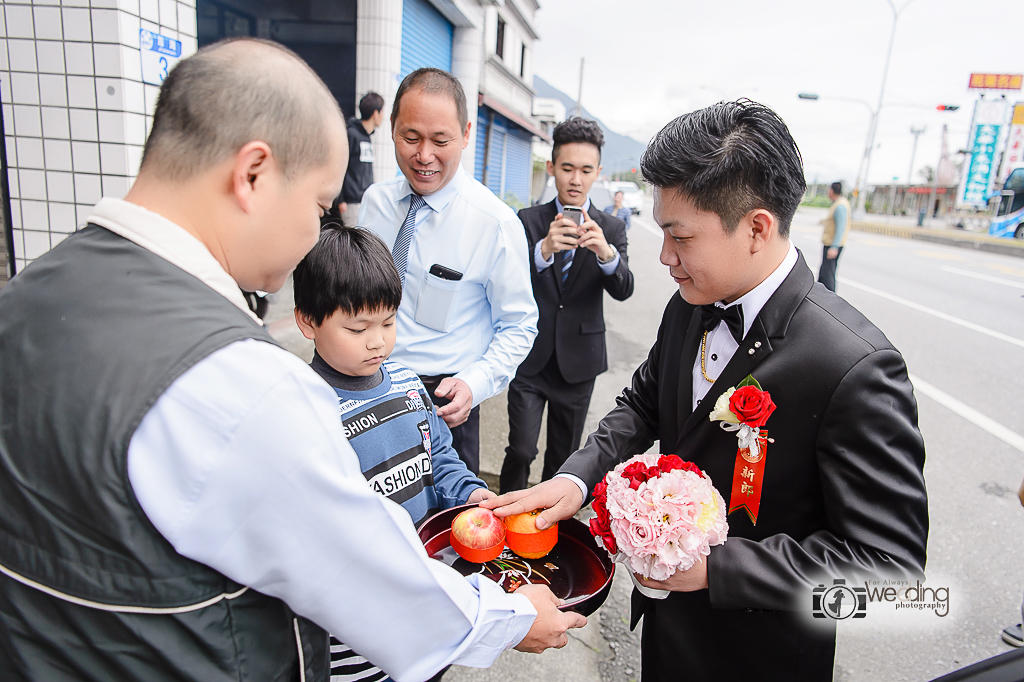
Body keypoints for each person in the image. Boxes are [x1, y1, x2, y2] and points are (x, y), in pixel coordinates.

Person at [0, 39, 584, 682]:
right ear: (253, 174)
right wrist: (507, 616)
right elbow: (360, 574)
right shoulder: (238, 378)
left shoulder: (22, 300)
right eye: (314, 206)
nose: (316, 234)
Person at [485, 100, 928, 681]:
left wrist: (717, 569)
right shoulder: (690, 301)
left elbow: (889, 570)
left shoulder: (853, 366)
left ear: (756, 228)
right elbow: (645, 399)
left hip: (762, 654)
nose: (664, 257)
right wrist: (577, 478)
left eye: (680, 236)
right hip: (669, 635)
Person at [293, 224, 499, 682]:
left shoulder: (408, 383)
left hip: (429, 596)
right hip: (358, 629)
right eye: (357, 327)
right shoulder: (306, 411)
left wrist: (470, 495)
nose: (377, 341)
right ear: (307, 320)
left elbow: (440, 458)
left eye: (388, 322)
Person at [359, 68, 538, 475]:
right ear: (391, 130)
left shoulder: (496, 224)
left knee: (447, 523)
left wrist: (475, 383)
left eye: (441, 140)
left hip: (441, 399)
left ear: (465, 134)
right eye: (410, 138)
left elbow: (520, 324)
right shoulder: (375, 204)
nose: (424, 155)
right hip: (367, 382)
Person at [500, 118, 634, 493]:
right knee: (522, 449)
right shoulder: (528, 221)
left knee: (562, 458)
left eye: (586, 170)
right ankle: (507, 511)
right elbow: (506, 281)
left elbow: (625, 289)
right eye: (568, 168)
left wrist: (606, 253)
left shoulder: (612, 227)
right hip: (530, 356)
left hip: (579, 363)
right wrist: (541, 251)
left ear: (598, 174)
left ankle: (547, 530)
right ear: (552, 168)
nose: (576, 179)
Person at [335, 92, 385, 225]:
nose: (383, 117)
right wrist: (341, 200)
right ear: (375, 114)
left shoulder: (367, 137)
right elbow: (339, 166)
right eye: (382, 112)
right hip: (351, 203)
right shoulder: (351, 134)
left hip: (365, 201)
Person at [818, 181, 849, 292]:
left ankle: (829, 303)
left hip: (832, 245)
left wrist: (834, 247)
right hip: (830, 244)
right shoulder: (838, 203)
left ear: (832, 191)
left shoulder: (840, 206)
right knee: (823, 274)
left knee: (828, 276)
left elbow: (840, 228)